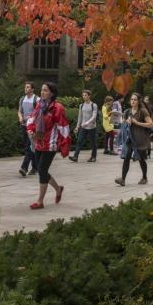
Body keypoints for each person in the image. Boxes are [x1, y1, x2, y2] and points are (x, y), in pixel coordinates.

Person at [26, 81, 69, 209]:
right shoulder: (40, 105)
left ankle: (40, 201)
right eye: (42, 90)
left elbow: (63, 127)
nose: (42, 92)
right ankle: (58, 189)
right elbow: (32, 118)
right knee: (40, 169)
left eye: (45, 90)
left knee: (42, 170)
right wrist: (30, 128)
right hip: (39, 142)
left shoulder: (58, 108)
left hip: (51, 144)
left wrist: (64, 144)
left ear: (52, 93)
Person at [115, 93, 153, 186]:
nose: (133, 101)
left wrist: (137, 122)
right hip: (130, 138)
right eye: (131, 99)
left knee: (141, 159)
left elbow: (150, 124)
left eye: (135, 99)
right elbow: (123, 123)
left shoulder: (143, 111)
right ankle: (123, 179)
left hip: (140, 139)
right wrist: (125, 122)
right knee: (127, 157)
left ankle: (144, 177)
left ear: (138, 101)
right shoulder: (128, 111)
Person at [69, 90, 98, 163]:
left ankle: (93, 157)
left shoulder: (93, 105)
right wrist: (77, 126)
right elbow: (80, 117)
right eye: (83, 95)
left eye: (85, 95)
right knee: (79, 141)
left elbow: (94, 116)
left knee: (93, 143)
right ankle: (75, 157)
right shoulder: (81, 105)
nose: (84, 97)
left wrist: (87, 122)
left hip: (92, 127)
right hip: (83, 127)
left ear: (89, 96)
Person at [17, 82, 40, 176]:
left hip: (32, 127)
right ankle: (35, 167)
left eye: (27, 87)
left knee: (29, 147)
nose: (25, 89)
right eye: (25, 87)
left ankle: (24, 168)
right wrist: (20, 118)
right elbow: (19, 111)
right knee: (31, 147)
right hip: (23, 126)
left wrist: (30, 118)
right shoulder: (22, 99)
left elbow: (39, 113)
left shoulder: (37, 99)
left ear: (32, 89)